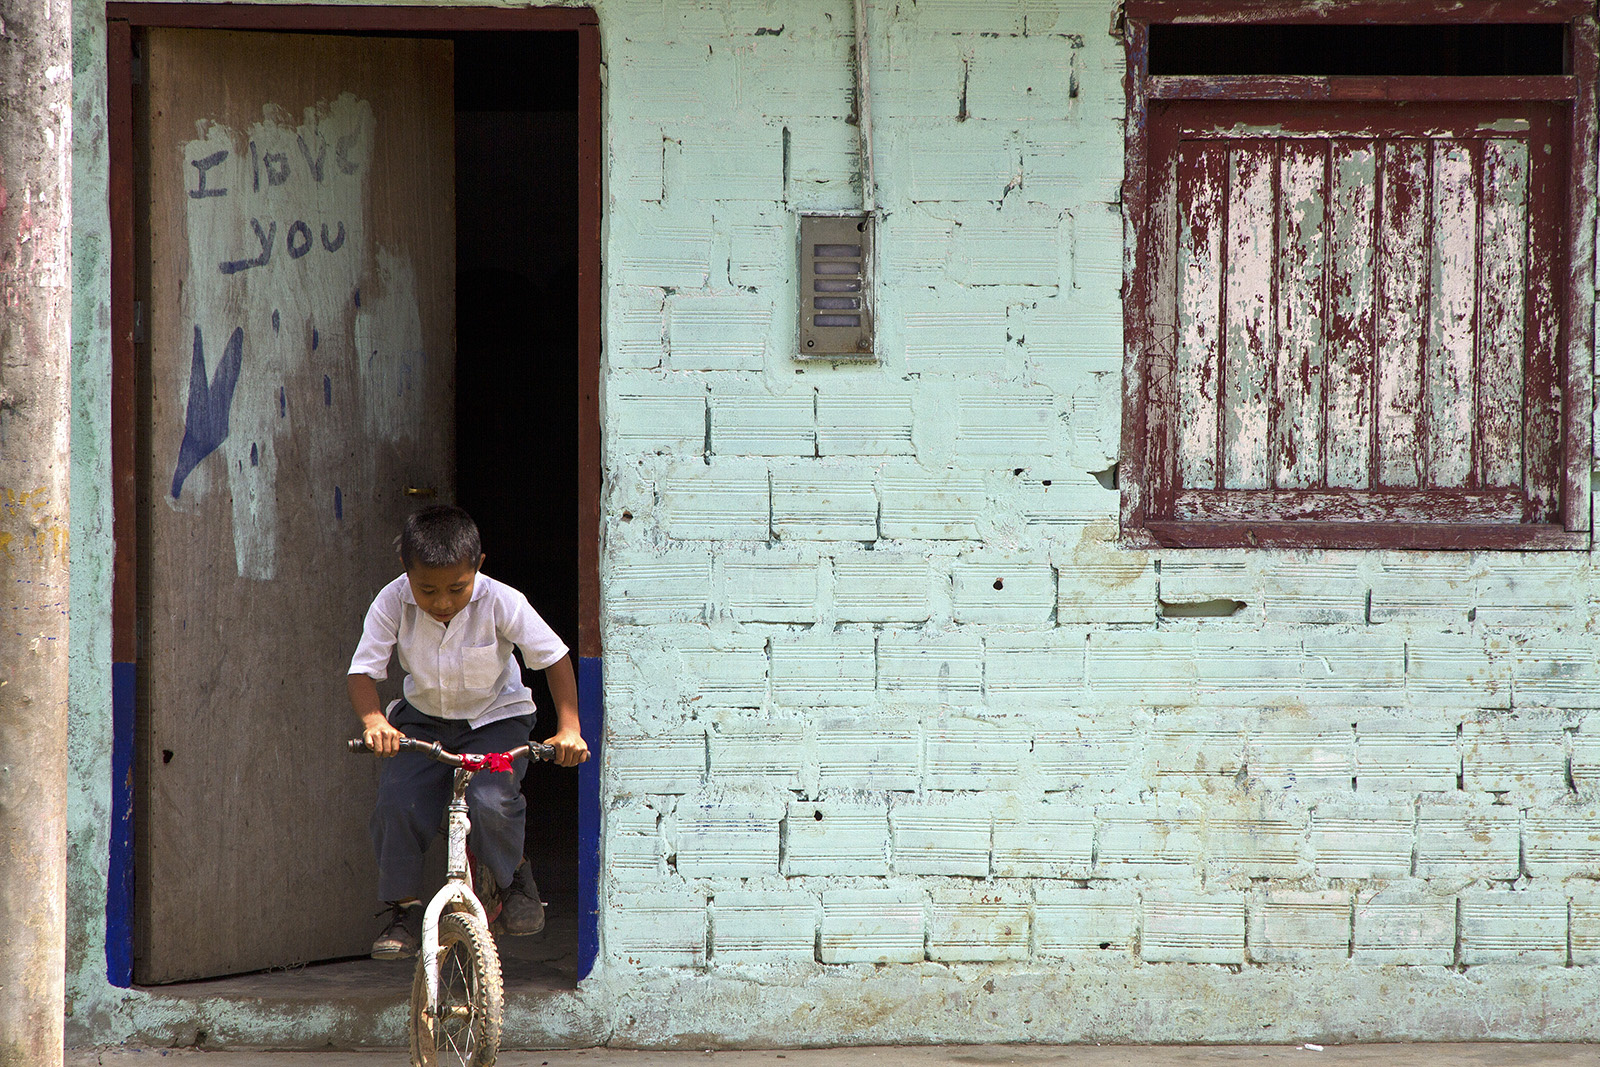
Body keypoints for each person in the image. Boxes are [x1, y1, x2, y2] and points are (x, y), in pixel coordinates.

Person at [349, 504, 588, 959]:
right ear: (406, 570)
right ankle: (402, 910)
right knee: (397, 803)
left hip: (495, 720)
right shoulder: (391, 600)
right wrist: (375, 721)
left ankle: (514, 876)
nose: (442, 602)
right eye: (427, 589)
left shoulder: (502, 600)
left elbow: (553, 658)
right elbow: (363, 671)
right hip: (422, 722)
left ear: (479, 565)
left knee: (491, 799)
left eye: (457, 588)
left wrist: (569, 728)